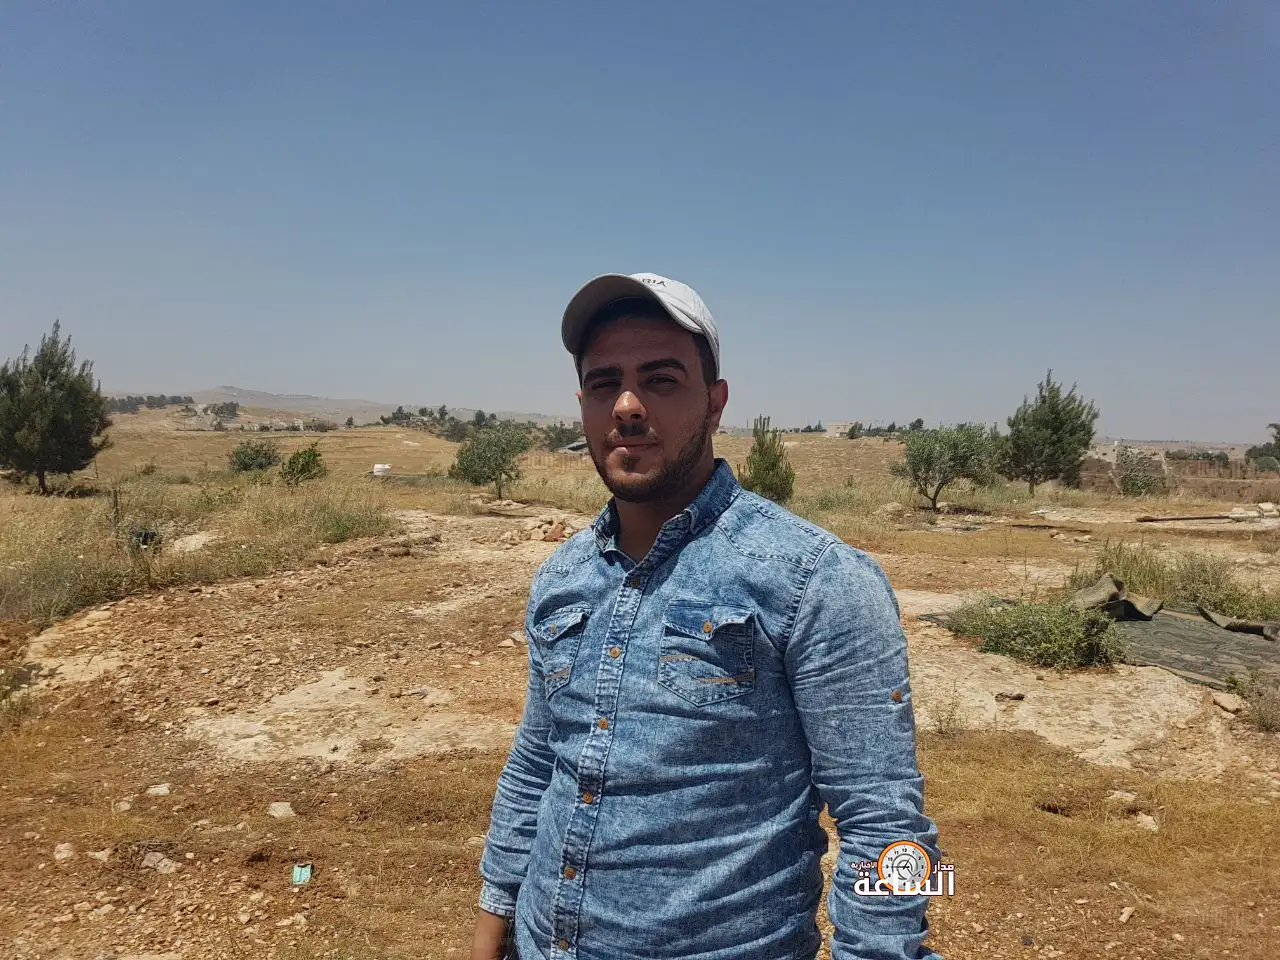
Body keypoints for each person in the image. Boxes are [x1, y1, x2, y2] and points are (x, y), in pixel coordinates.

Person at [470, 272, 943, 960]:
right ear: (583, 407)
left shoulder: (818, 580)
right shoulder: (562, 576)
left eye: (660, 380)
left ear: (715, 403)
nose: (627, 406)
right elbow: (537, 763)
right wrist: (492, 924)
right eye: (604, 384)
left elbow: (888, 824)